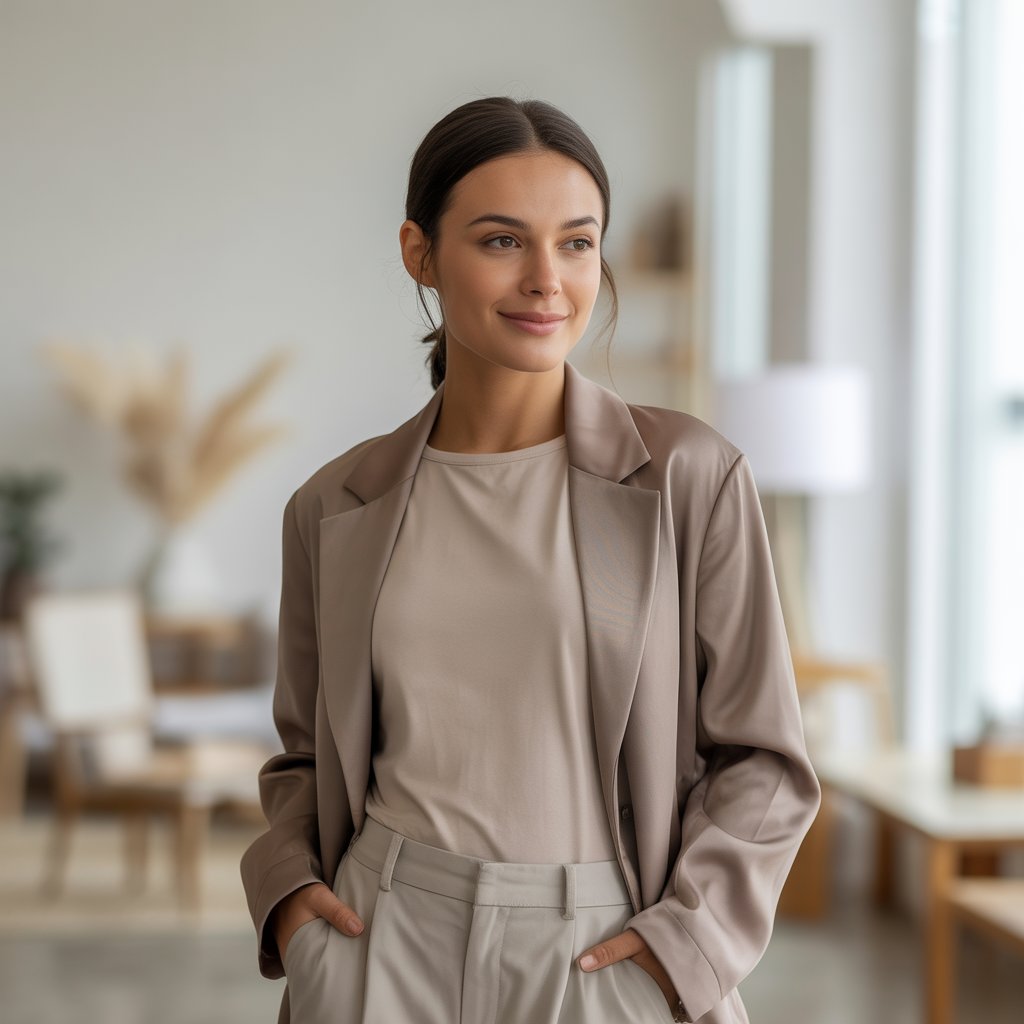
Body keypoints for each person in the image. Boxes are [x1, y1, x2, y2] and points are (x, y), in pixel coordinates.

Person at [239, 95, 822, 1024]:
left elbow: (766, 762)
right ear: (420, 253)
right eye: (503, 241)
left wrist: (682, 950)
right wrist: (292, 906)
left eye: (577, 242)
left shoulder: (690, 478)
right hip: (378, 940)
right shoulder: (334, 506)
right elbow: (307, 757)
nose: (547, 279)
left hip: (606, 951)